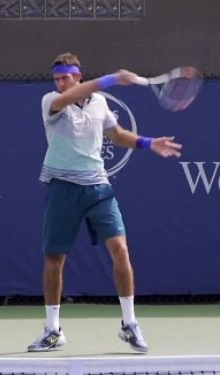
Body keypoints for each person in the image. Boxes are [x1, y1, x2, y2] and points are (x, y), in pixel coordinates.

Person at [27, 53, 182, 353]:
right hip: (63, 188)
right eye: (57, 78)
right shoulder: (50, 101)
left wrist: (150, 143)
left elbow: (118, 134)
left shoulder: (100, 103)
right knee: (54, 260)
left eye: (66, 77)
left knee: (120, 250)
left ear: (78, 75)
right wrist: (111, 78)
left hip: (98, 187)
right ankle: (53, 330)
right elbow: (71, 96)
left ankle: (129, 324)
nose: (60, 83)